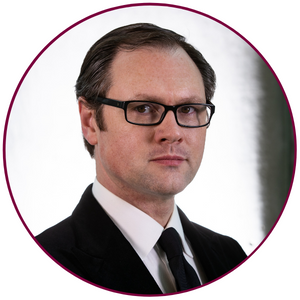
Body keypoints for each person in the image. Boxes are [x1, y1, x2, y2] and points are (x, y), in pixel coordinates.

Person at [36, 23, 247, 295]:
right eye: (143, 108)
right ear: (90, 122)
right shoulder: (44, 265)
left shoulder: (231, 256)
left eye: (188, 109)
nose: (172, 133)